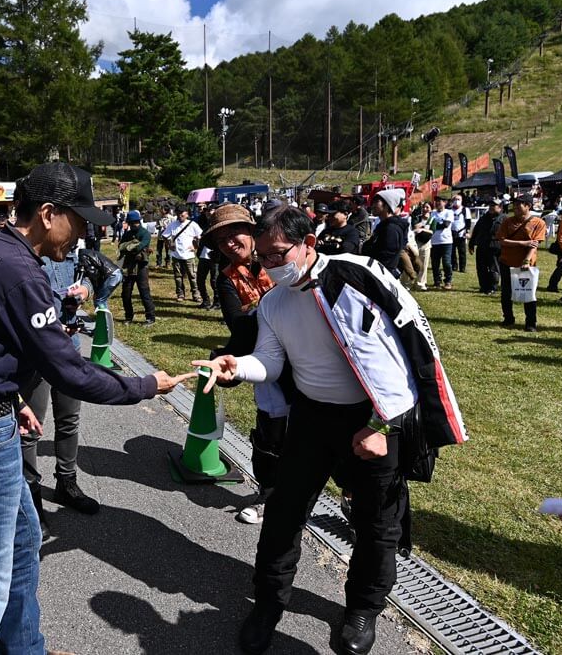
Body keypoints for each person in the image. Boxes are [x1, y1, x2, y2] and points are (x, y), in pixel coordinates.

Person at [0, 162, 191, 655]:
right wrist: (144, 385)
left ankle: (25, 648)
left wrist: (13, 396)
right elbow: (69, 370)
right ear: (48, 214)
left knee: (23, 544)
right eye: (81, 219)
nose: (86, 233)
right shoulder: (20, 270)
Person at [194, 205, 466, 655]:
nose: (270, 265)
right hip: (312, 417)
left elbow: (405, 350)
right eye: (262, 257)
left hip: (377, 417)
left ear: (309, 244)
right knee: (283, 514)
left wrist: (383, 425)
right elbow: (272, 359)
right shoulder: (274, 302)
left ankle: (362, 608)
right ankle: (267, 604)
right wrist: (237, 366)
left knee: (376, 522)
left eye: (278, 253)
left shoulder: (359, 276)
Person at [202, 204, 280, 525]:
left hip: (307, 354)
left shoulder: (278, 257)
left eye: (234, 233)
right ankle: (268, 494)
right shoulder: (225, 279)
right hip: (266, 358)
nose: (229, 242)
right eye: (221, 240)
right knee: (270, 433)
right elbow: (237, 323)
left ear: (251, 230)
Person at [23, 250, 96, 541]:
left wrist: (85, 290)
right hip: (37, 353)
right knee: (30, 430)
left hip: (70, 347)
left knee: (69, 420)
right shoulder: (25, 253)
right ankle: (31, 500)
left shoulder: (69, 250)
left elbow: (92, 275)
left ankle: (67, 483)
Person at [496, 193, 547, 331]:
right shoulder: (507, 221)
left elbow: (534, 245)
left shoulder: (538, 223)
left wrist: (526, 260)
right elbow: (502, 241)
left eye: (519, 205)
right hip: (506, 261)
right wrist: (523, 243)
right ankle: (508, 318)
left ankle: (530, 323)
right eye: (515, 204)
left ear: (528, 206)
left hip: (526, 265)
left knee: (528, 294)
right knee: (506, 293)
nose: (515, 207)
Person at [119, 209, 156, 325]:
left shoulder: (145, 233)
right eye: (131, 222)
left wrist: (130, 246)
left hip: (141, 266)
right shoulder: (127, 234)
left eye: (135, 222)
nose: (134, 224)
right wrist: (130, 246)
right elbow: (121, 246)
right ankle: (128, 316)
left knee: (144, 292)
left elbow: (140, 246)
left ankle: (150, 317)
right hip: (129, 266)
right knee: (126, 293)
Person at [363, 190, 409, 278]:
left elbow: (386, 256)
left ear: (387, 205)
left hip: (382, 275)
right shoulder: (383, 225)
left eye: (377, 202)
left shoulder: (391, 228)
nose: (373, 206)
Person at [162, 206, 203, 302]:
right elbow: (165, 236)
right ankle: (180, 294)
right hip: (176, 255)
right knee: (178, 277)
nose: (180, 216)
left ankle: (196, 294)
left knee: (192, 276)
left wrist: (195, 247)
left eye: (182, 214)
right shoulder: (172, 225)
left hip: (189, 256)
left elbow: (200, 237)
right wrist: (169, 245)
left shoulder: (193, 225)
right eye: (178, 213)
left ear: (187, 214)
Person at [468, 197, 504, 295]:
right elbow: (476, 231)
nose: (491, 207)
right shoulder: (483, 218)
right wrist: (471, 243)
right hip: (482, 246)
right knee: (481, 268)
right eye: (490, 205)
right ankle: (483, 286)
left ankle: (492, 287)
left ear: (500, 207)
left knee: (494, 269)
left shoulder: (504, 219)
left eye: (494, 205)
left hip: (495, 247)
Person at [195, 205, 220, 310]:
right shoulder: (204, 223)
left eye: (211, 210)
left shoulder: (219, 224)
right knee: (200, 279)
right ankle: (205, 301)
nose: (208, 212)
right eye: (207, 211)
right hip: (203, 255)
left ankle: (217, 302)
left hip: (215, 256)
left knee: (214, 280)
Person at [429, 198, 454, 290]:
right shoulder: (432, 213)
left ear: (445, 202)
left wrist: (435, 225)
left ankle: (448, 281)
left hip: (446, 241)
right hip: (434, 242)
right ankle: (437, 281)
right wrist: (437, 225)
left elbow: (445, 225)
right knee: (435, 263)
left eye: (441, 201)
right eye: (437, 201)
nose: (438, 203)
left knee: (446, 262)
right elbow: (429, 225)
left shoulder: (449, 212)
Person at [449, 194, 471, 273]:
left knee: (462, 252)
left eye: (458, 199)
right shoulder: (450, 210)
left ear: (461, 201)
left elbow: (468, 222)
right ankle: (454, 266)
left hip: (462, 233)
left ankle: (462, 268)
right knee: (452, 252)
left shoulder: (465, 210)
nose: (456, 201)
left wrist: (467, 231)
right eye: (455, 199)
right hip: (451, 233)